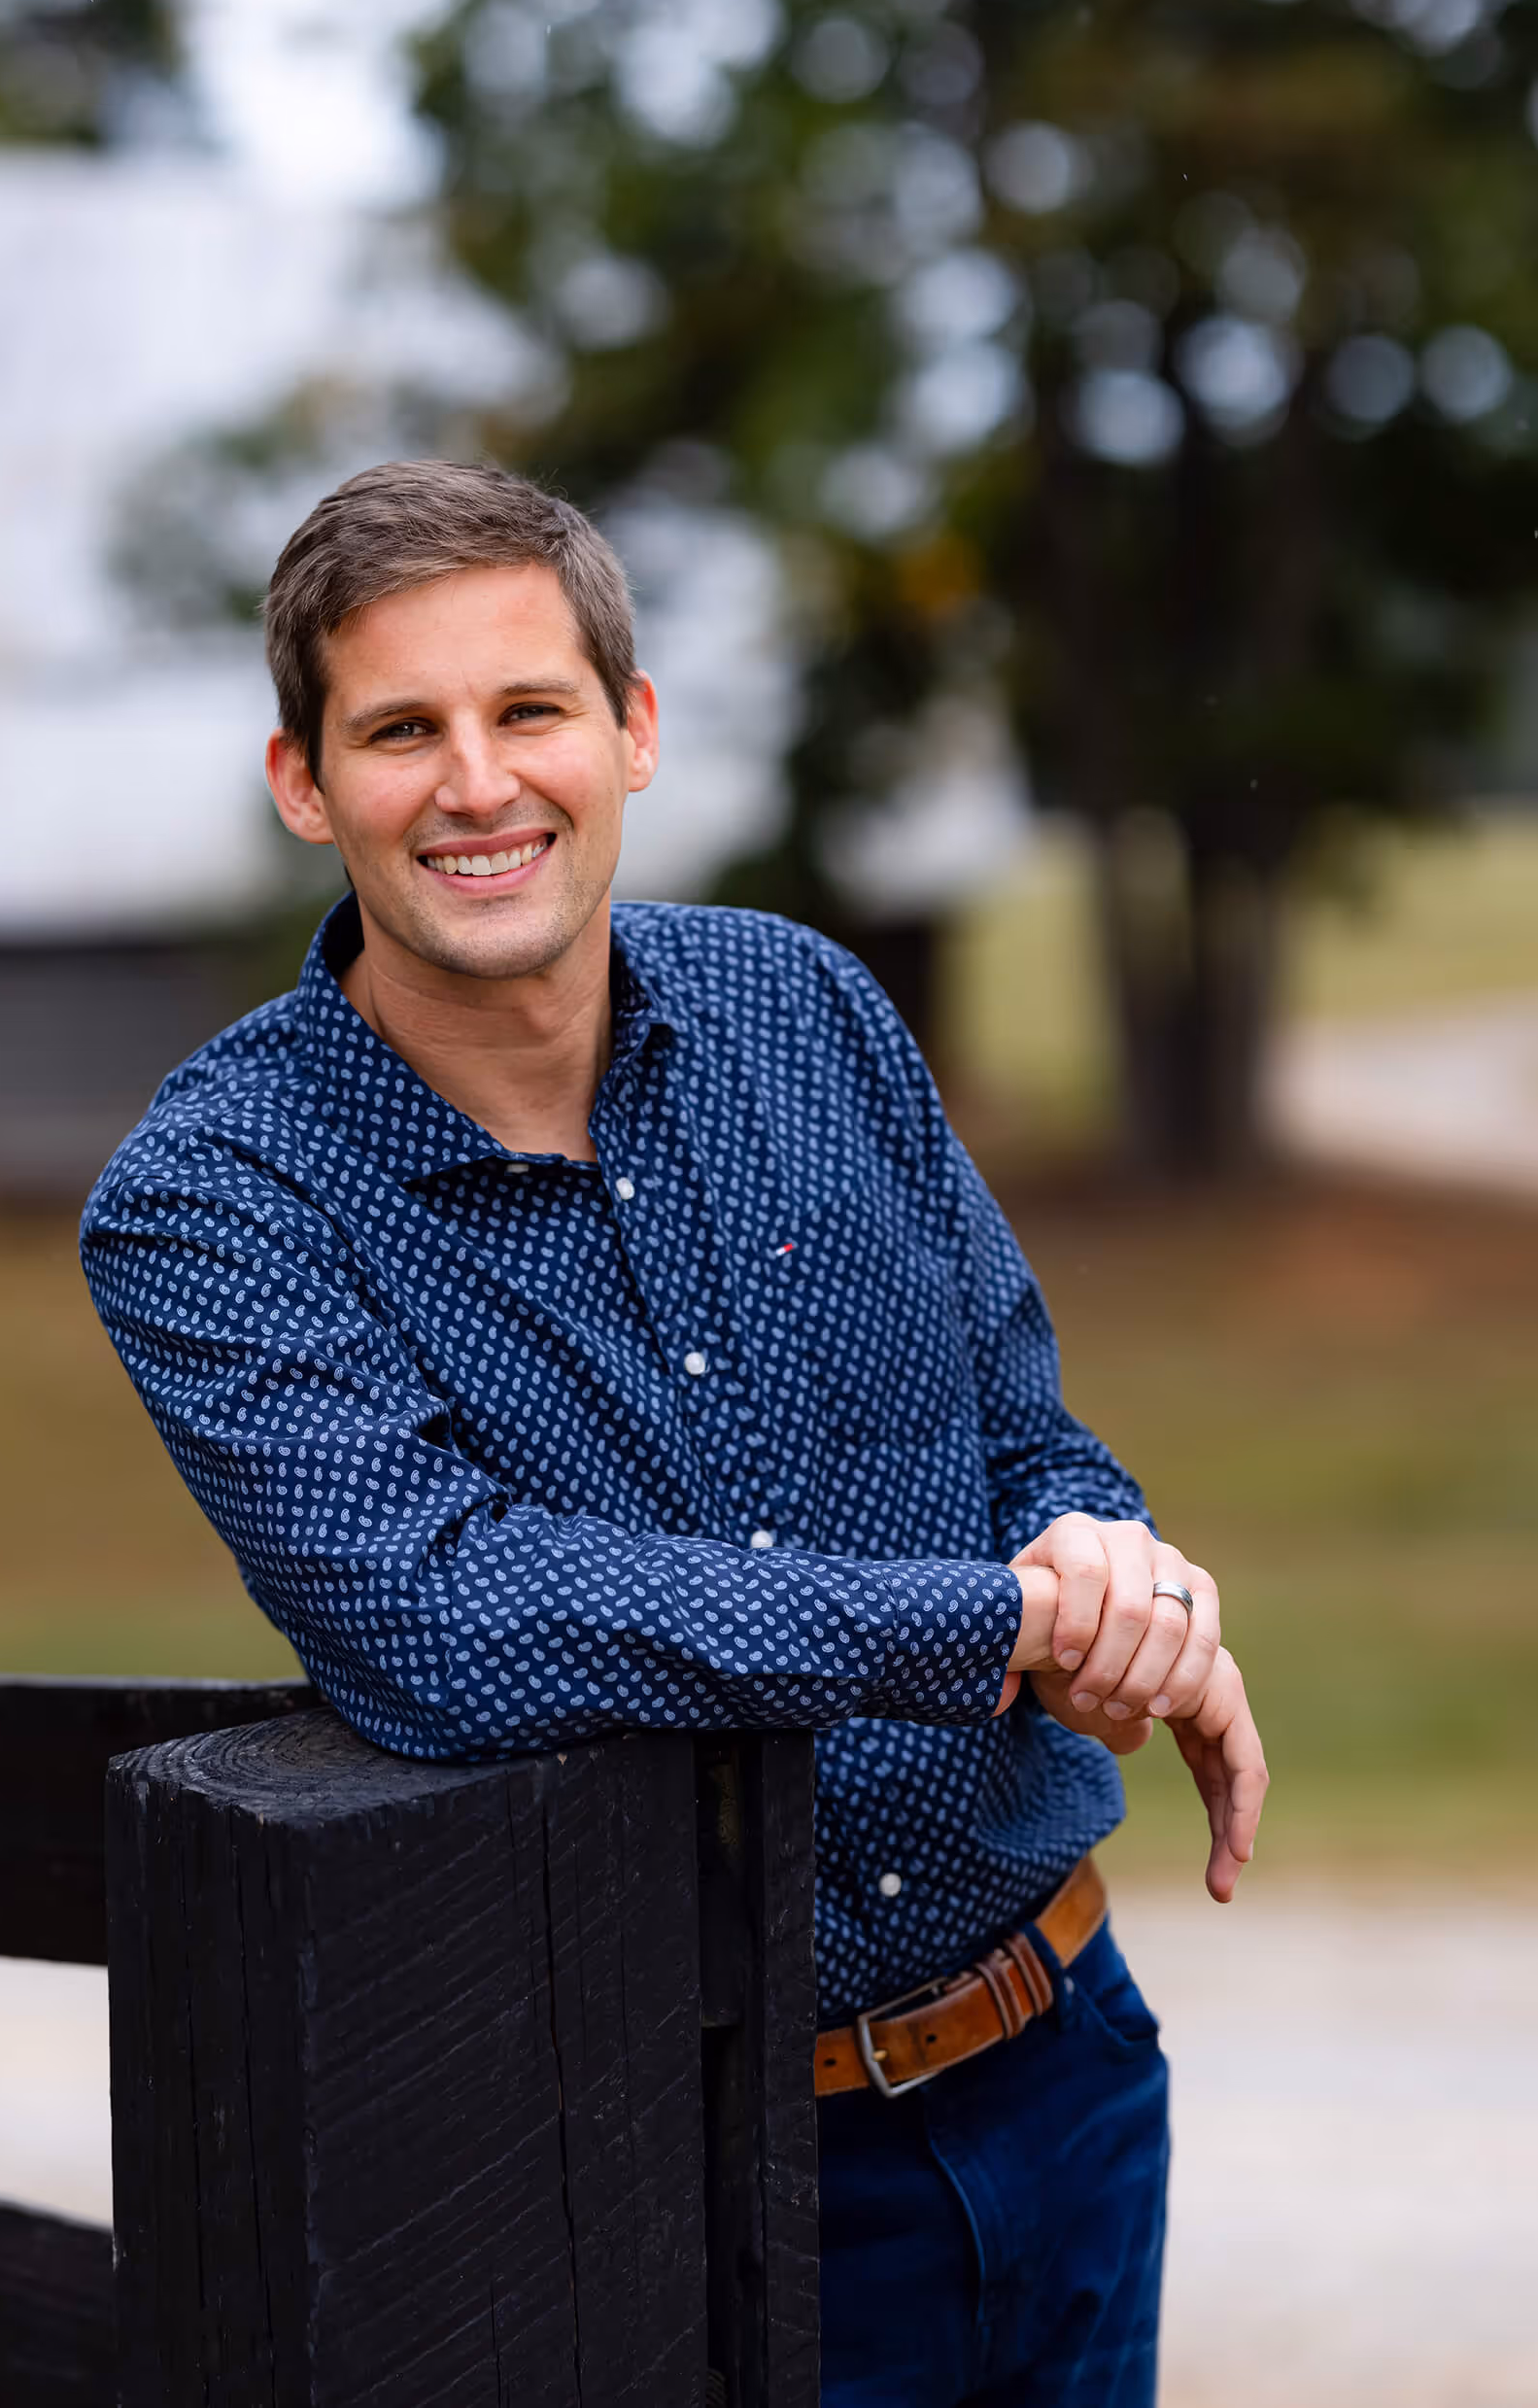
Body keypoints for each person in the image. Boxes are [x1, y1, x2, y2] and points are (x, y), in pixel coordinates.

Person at [82, 459, 1268, 2406]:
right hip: (663, 2175)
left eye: (529, 709)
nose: (477, 784)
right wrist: (989, 1624)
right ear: (304, 781)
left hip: (1064, 2070)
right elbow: (444, 1617)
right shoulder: (217, 1197)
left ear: (631, 730)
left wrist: (1118, 1576)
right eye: (401, 729)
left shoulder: (808, 1009)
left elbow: (1026, 1437)